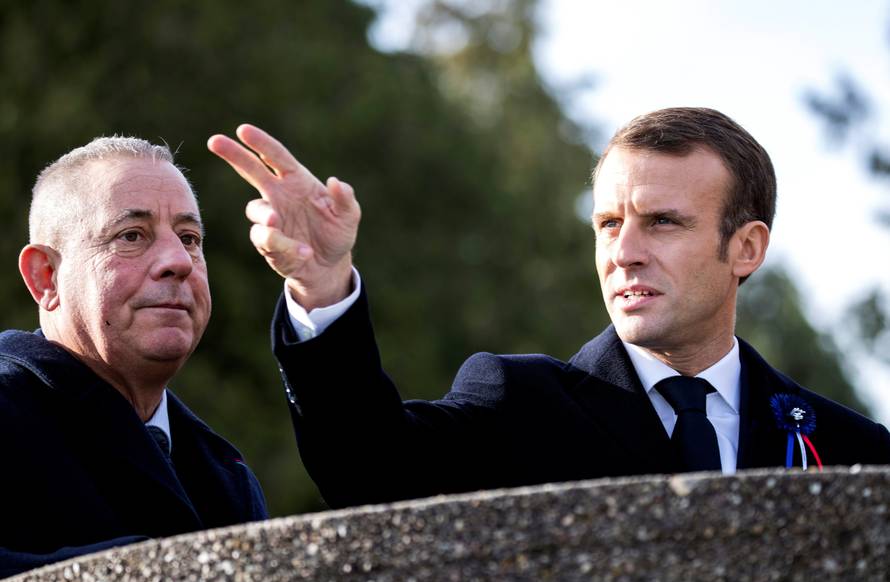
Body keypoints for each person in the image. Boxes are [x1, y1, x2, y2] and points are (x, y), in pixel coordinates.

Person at [208, 108, 890, 509]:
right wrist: (324, 289)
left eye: (662, 222)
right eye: (607, 224)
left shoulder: (855, 451)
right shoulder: (520, 405)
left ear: (746, 247)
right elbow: (369, 470)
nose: (624, 253)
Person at [0, 137, 267, 579]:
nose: (179, 261)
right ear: (46, 277)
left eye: (189, 238)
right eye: (132, 236)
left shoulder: (225, 475)